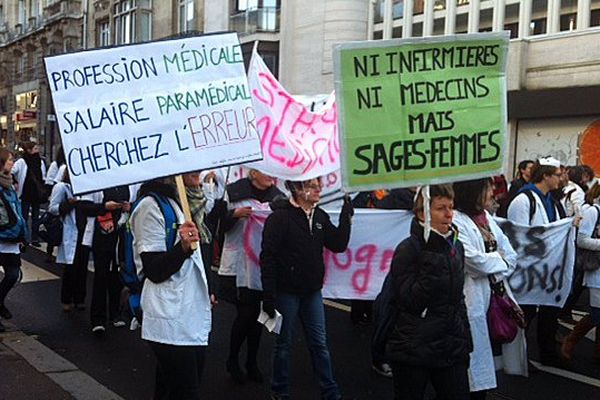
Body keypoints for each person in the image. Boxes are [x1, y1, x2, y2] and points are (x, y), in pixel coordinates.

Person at [260, 177, 353, 400]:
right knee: (283, 344)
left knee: (319, 344)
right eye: (313, 185)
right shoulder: (279, 219)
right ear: (298, 189)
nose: (319, 189)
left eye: (318, 184)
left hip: (312, 292)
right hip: (286, 293)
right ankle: (279, 391)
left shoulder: (319, 216)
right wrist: (269, 296)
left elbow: (338, 244)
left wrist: (346, 217)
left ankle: (330, 391)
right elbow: (268, 258)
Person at [386, 184, 472, 400]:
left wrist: (464, 339)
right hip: (414, 349)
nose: (449, 214)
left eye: (451, 207)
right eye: (441, 208)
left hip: (450, 347)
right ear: (423, 213)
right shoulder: (408, 249)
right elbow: (410, 301)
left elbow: (457, 298)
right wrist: (432, 257)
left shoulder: (455, 246)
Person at [130, 177, 212, 399]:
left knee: (168, 389)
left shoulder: (185, 203)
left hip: (190, 313)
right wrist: (183, 248)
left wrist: (207, 289)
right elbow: (154, 270)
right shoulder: (150, 206)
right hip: (168, 316)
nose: (197, 171)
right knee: (186, 392)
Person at [453, 179, 526, 400]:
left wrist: (494, 263)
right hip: (471, 297)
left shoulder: (488, 220)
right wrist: (498, 261)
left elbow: (511, 255)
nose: (492, 192)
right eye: (486, 188)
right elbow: (473, 262)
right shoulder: (457, 221)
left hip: (493, 297)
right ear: (472, 192)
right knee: (470, 365)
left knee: (488, 357)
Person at [507, 157, 574, 367]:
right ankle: (517, 357)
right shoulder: (523, 200)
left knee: (549, 313)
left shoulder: (552, 201)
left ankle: (547, 353)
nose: (561, 178)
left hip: (547, 271)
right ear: (545, 176)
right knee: (524, 314)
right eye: (557, 174)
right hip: (527, 272)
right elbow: (517, 235)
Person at [218, 169, 283, 383]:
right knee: (246, 313)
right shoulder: (234, 192)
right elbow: (217, 226)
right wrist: (232, 216)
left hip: (262, 267)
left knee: (257, 316)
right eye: (266, 170)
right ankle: (232, 359)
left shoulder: (278, 197)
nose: (271, 175)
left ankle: (251, 361)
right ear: (253, 172)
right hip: (238, 265)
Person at [80, 185, 136, 335]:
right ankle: (98, 319)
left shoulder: (127, 184)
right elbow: (84, 207)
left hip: (121, 236)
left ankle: (115, 313)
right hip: (102, 236)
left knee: (117, 276)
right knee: (101, 276)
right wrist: (105, 206)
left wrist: (128, 207)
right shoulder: (98, 183)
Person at [561, 182, 600, 363]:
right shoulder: (593, 211)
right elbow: (582, 240)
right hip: (596, 271)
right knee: (596, 313)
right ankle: (571, 340)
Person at [48, 170, 89, 312]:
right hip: (70, 231)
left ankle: (80, 298)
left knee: (82, 266)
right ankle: (66, 299)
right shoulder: (62, 187)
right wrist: (69, 204)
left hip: (84, 231)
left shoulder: (86, 187)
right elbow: (52, 208)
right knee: (71, 268)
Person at [0, 148, 27, 332]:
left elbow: (16, 211)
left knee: (12, 274)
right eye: (10, 160)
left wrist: (23, 234)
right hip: (1, 236)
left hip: (11, 238)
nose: (12, 162)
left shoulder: (10, 185)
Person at [11, 141, 46, 247]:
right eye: (35, 149)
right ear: (29, 150)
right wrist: (14, 182)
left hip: (36, 193)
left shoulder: (40, 161)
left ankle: (34, 238)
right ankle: (24, 237)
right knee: (24, 216)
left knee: (36, 217)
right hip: (25, 192)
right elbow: (12, 171)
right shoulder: (22, 161)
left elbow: (43, 176)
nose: (37, 151)